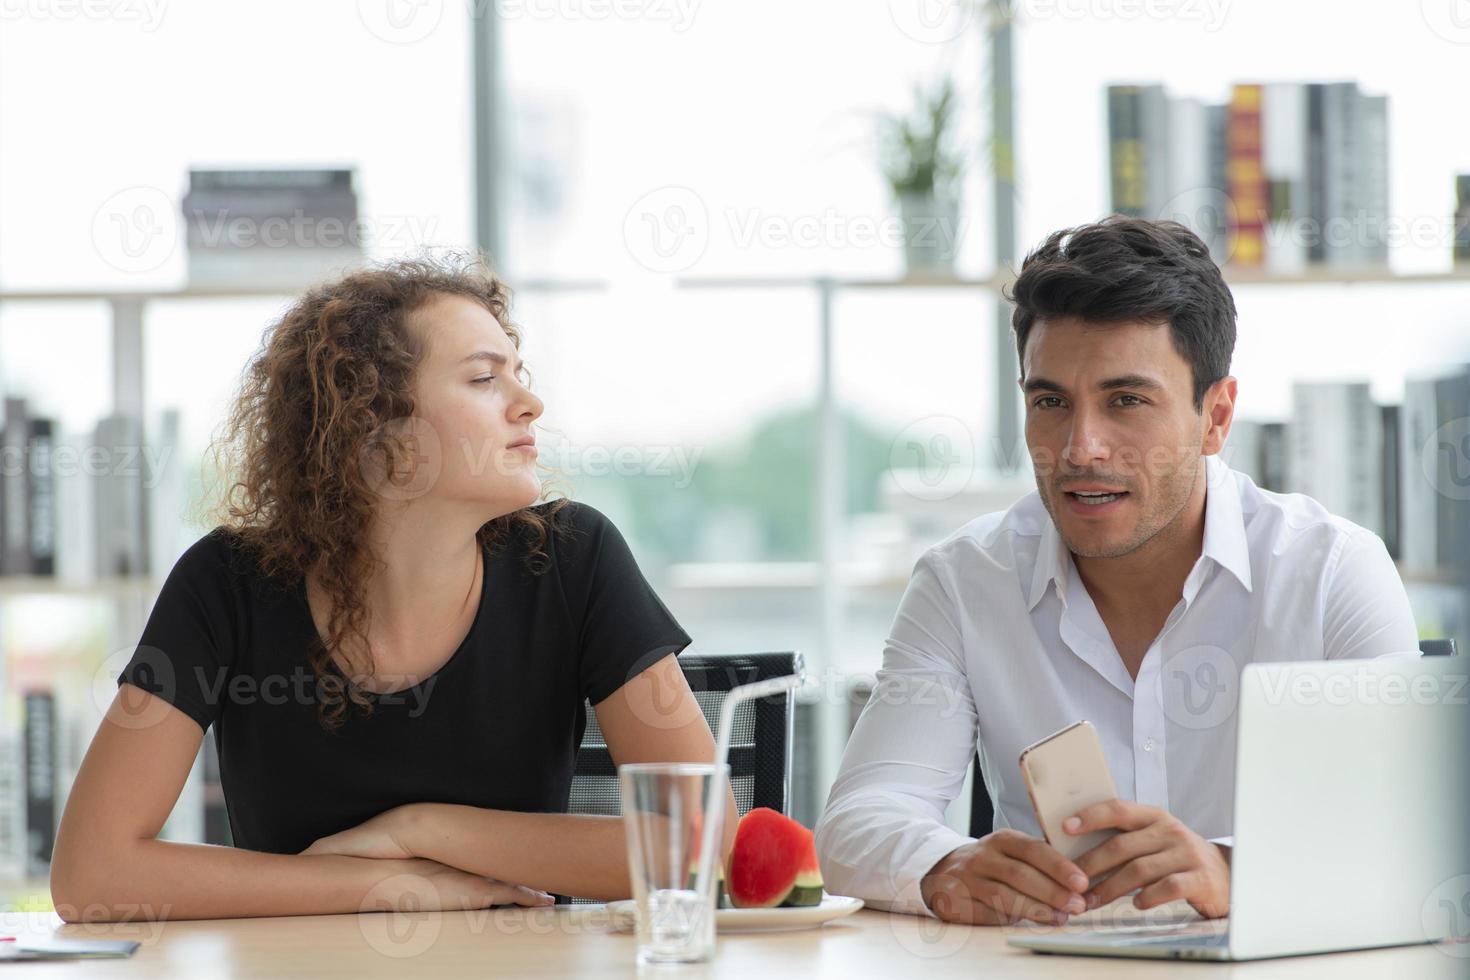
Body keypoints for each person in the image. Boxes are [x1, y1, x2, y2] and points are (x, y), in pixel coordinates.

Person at [51, 253, 735, 921]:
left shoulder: (575, 560)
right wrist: (389, 890)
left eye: (516, 374)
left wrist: (422, 830)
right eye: (482, 380)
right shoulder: (227, 582)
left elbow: (709, 848)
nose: (529, 404)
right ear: (373, 426)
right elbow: (93, 875)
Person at [814, 216, 1418, 926]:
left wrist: (1234, 872)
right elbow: (859, 819)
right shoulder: (964, 582)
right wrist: (944, 866)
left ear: (1215, 417)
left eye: (1126, 400)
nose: (1080, 448)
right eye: (1050, 402)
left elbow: (1414, 835)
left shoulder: (1331, 572)